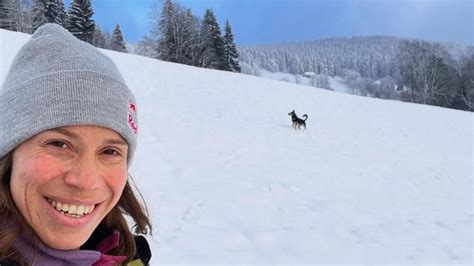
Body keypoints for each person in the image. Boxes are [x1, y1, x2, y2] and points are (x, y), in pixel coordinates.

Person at [0, 23, 152, 265]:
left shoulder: (125, 255)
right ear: (10, 151)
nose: (86, 182)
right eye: (59, 144)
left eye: (110, 151)